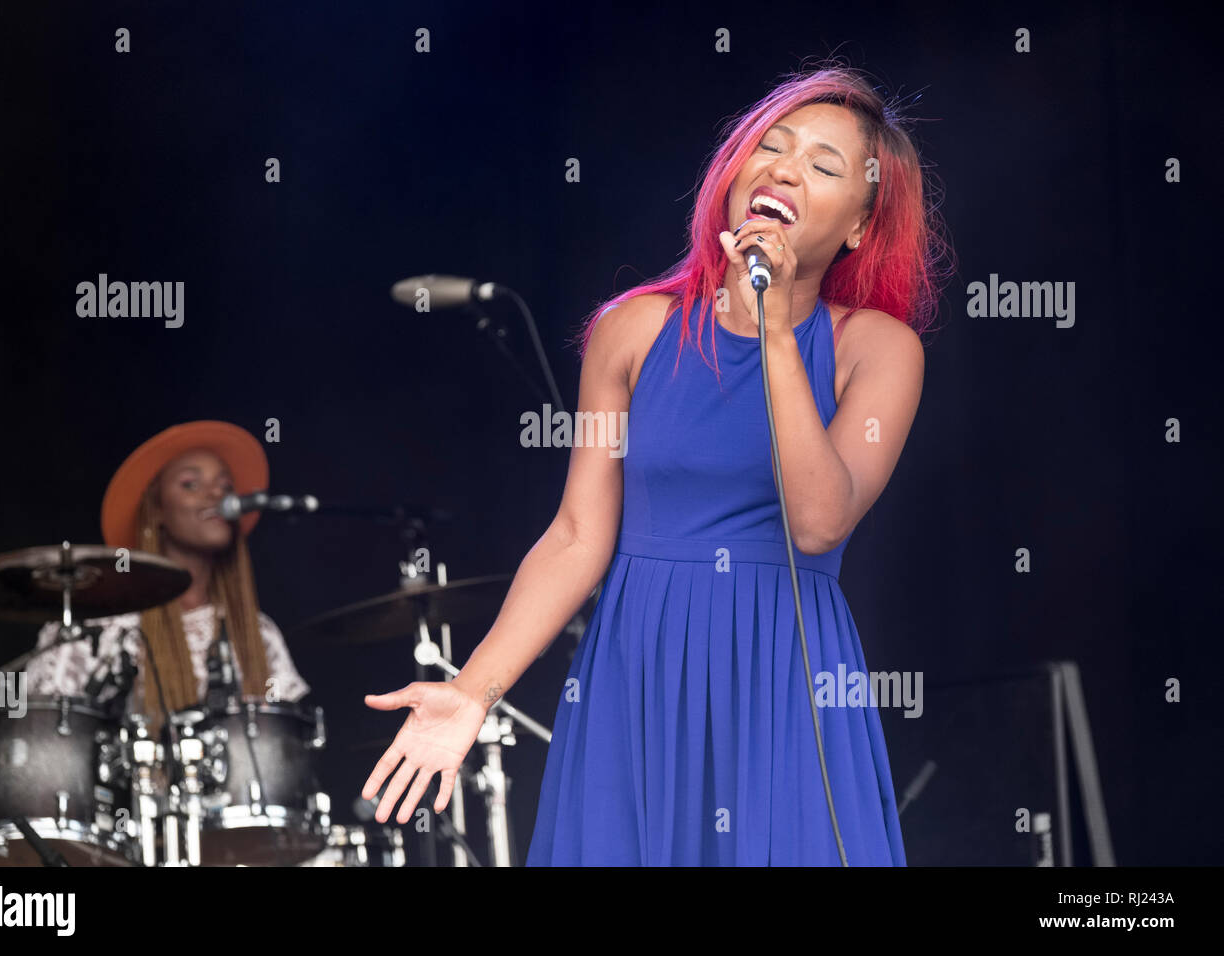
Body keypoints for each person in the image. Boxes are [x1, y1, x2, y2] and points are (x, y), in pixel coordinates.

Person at [362, 64, 952, 865]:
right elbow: (577, 534)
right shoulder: (633, 332)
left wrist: (776, 330)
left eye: (822, 165)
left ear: (857, 225)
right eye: (769, 148)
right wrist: (473, 691)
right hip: (639, 674)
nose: (782, 167)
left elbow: (818, 522)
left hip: (784, 678)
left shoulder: (877, 350)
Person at [26, 421, 310, 724]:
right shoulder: (105, 625)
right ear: (157, 510)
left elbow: (284, 747)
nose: (218, 494)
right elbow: (48, 735)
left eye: (226, 487)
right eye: (191, 484)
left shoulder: (257, 632)